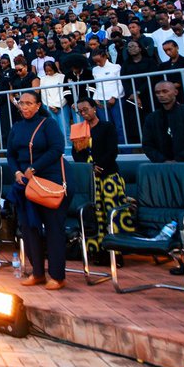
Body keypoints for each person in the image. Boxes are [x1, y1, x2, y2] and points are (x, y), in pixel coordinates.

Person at [5, 91, 69, 290]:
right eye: (21, 103)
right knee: (29, 228)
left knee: (53, 228)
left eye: (29, 103)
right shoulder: (16, 127)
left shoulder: (47, 124)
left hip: (49, 180)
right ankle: (38, 272)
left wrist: (34, 168)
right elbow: (11, 153)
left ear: (38, 105)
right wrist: (16, 171)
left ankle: (57, 276)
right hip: (25, 183)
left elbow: (57, 148)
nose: (24, 107)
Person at [71, 97, 131, 264]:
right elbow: (77, 154)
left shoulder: (106, 127)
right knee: (95, 215)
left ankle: (117, 252)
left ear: (94, 108)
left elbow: (112, 151)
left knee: (112, 213)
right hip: (92, 179)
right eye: (80, 111)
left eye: (86, 109)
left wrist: (99, 166)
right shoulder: (78, 129)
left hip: (108, 176)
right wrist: (89, 168)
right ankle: (97, 251)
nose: (83, 113)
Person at [142, 82, 184, 163]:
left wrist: (180, 159)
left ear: (175, 92)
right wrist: (163, 160)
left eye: (165, 91)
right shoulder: (151, 118)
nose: (161, 95)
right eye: (157, 92)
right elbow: (147, 145)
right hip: (163, 166)